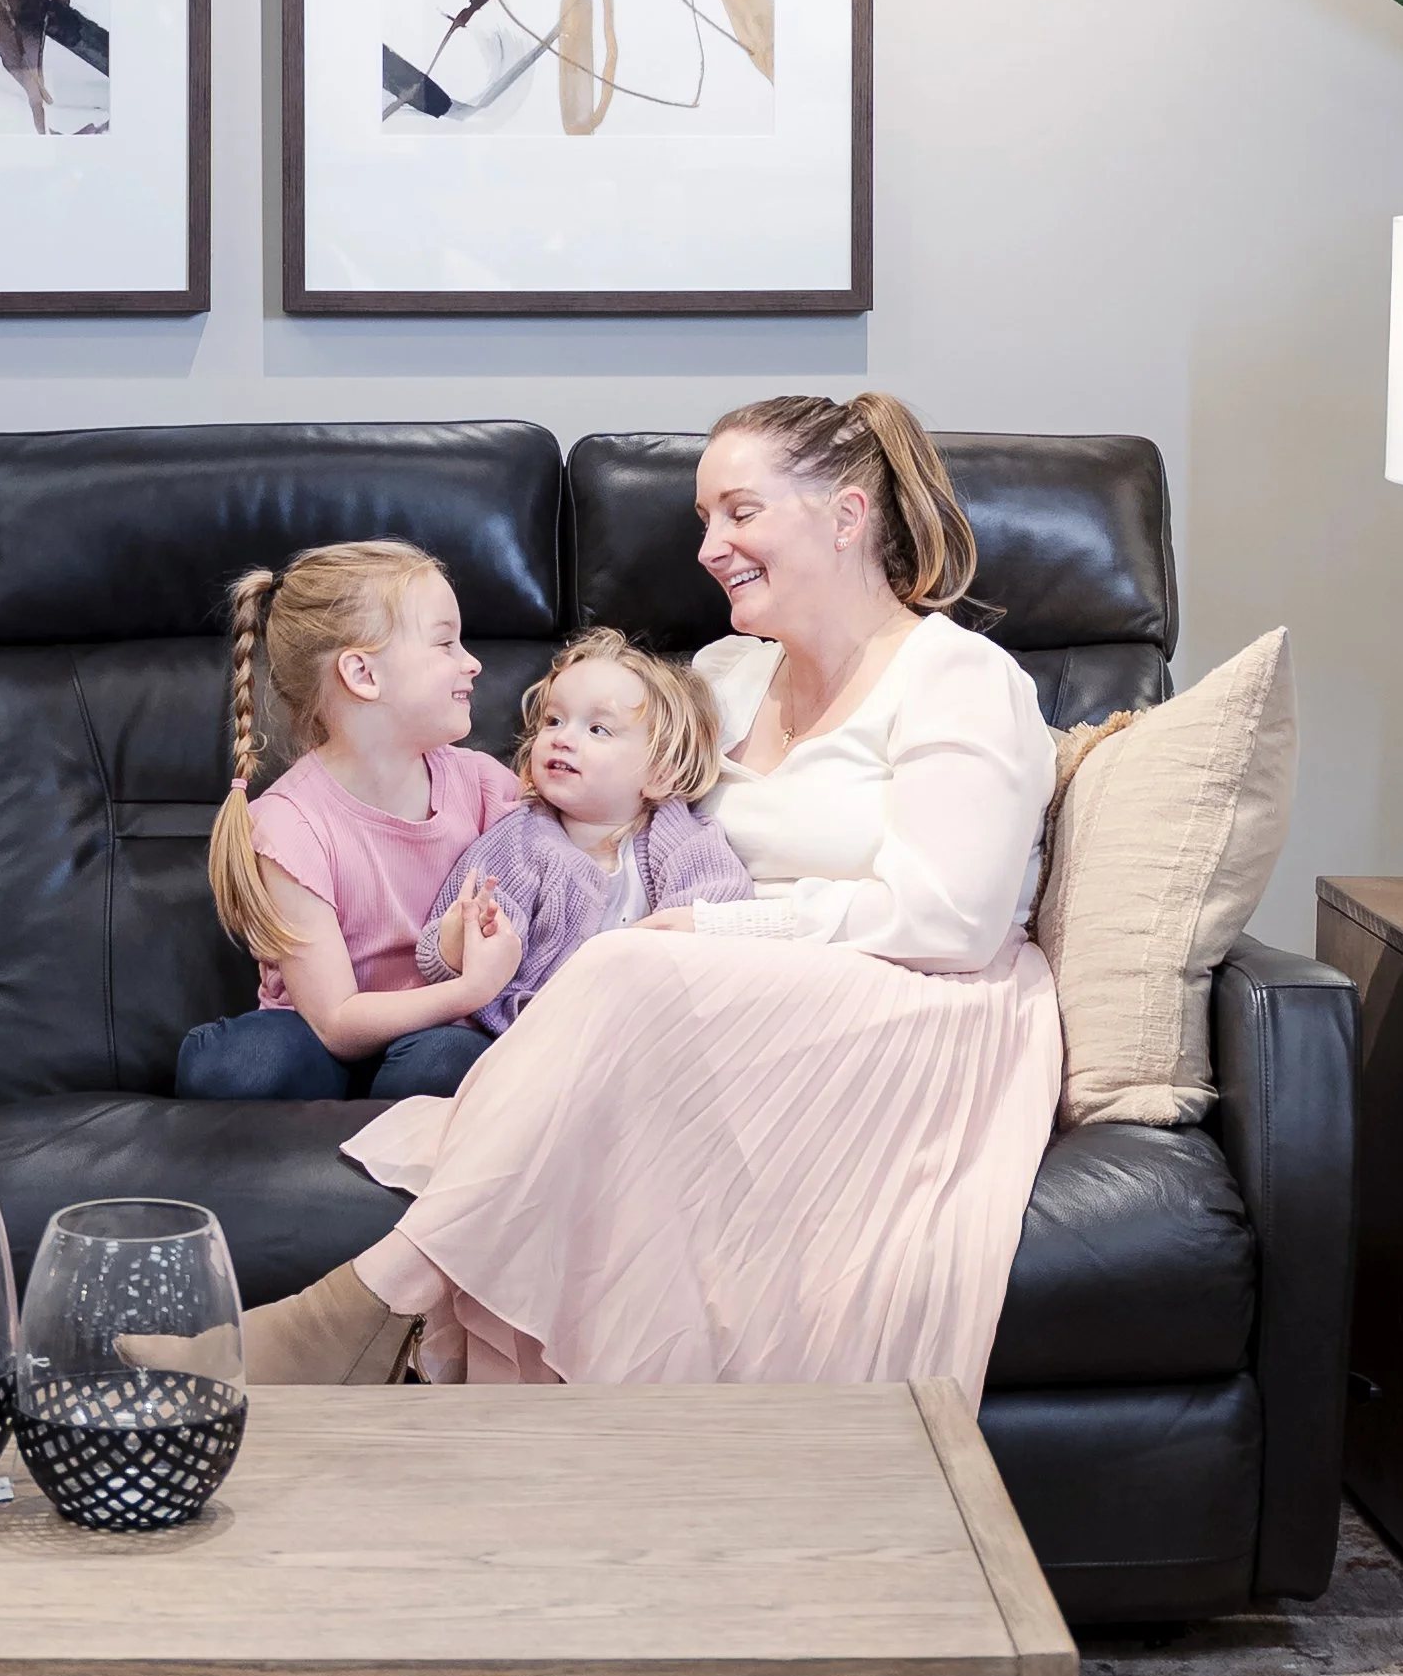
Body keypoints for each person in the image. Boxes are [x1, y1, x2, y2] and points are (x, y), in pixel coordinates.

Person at [235, 393, 1063, 1399]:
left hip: (917, 1002)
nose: (712, 546)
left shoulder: (962, 680)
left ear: (846, 517)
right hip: (729, 1002)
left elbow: (954, 921)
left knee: (627, 965)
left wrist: (718, 930)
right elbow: (595, 816)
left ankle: (360, 1310)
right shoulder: (721, 677)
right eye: (703, 518)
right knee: (622, 971)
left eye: (741, 512)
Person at [175, 541, 525, 1103]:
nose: (473, 661)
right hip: (317, 1041)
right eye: (445, 643)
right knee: (246, 1062)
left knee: (448, 1058)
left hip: (431, 1044)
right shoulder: (289, 826)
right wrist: (472, 989)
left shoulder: (485, 785)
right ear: (362, 674)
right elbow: (336, 1020)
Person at [412, 629, 751, 1035]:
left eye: (598, 730)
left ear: (660, 773)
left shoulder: (683, 838)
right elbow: (447, 950)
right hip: (532, 1030)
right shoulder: (518, 842)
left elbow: (719, 907)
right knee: (435, 1056)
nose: (562, 738)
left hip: (648, 1028)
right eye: (553, 720)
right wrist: (459, 943)